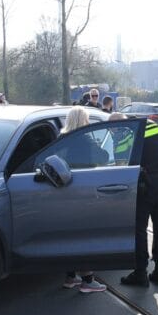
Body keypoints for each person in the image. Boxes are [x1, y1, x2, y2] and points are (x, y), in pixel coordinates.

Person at [115, 113, 158, 287]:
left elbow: (120, 166)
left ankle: (140, 272)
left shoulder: (124, 135)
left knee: (139, 229)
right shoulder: (151, 124)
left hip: (144, 184)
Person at [59, 106, 107, 293]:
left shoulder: (61, 137)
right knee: (86, 237)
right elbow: (104, 157)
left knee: (69, 235)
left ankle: (70, 277)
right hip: (84, 192)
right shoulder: (85, 139)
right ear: (83, 120)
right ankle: (88, 280)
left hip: (63, 192)